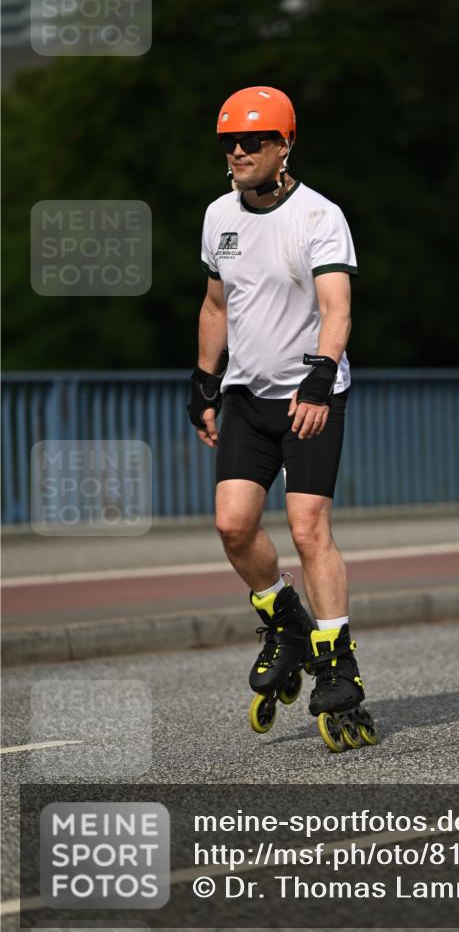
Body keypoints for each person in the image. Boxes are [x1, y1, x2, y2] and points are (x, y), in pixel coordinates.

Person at [188, 86, 377, 751]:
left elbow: (336, 307)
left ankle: (337, 663)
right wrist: (204, 382)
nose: (237, 151)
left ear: (284, 144)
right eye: (228, 142)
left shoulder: (319, 215)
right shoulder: (218, 215)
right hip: (245, 395)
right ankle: (285, 619)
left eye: (252, 140)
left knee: (307, 528)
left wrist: (320, 380)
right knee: (233, 525)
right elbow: (216, 305)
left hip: (308, 397)